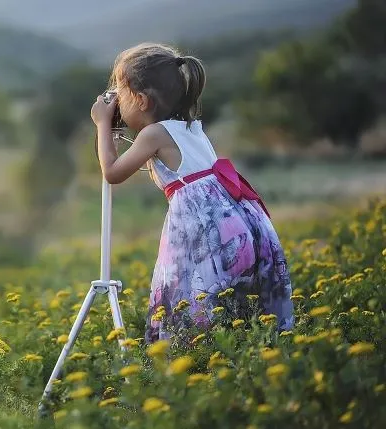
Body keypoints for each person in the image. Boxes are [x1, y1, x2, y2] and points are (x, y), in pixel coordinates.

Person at [90, 42, 293, 344]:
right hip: (241, 226)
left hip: (205, 233)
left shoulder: (154, 134)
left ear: (142, 100)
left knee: (191, 297)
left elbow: (112, 172)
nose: (116, 100)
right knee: (235, 306)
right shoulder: (191, 127)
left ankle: (193, 361)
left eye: (121, 91)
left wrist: (102, 124)